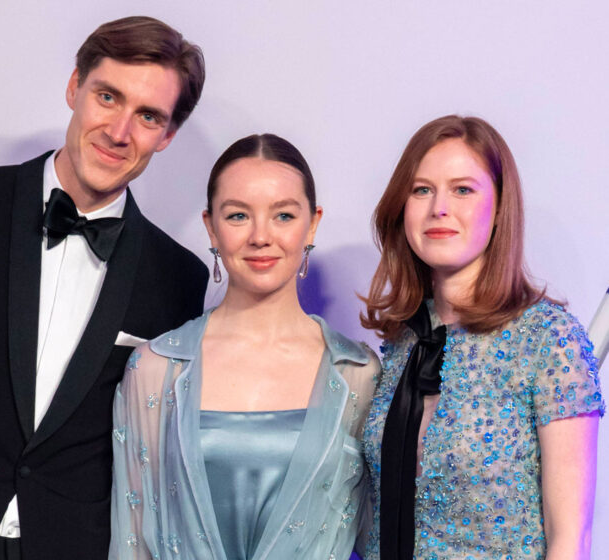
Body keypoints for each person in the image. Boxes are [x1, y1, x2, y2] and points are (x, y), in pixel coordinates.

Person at [0, 16, 208, 560]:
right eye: (107, 97)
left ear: (167, 136)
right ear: (74, 87)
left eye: (148, 116)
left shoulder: (177, 277)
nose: (119, 132)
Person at [109, 133, 380, 559]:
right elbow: (132, 541)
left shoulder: (357, 373)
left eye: (283, 215)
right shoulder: (155, 368)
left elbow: (379, 536)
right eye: (238, 215)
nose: (260, 236)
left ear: (312, 224)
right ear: (211, 227)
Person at [359, 115, 604, 560]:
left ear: (500, 209)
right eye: (421, 190)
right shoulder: (402, 341)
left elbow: (570, 540)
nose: (439, 208)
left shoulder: (549, 339)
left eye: (462, 189)